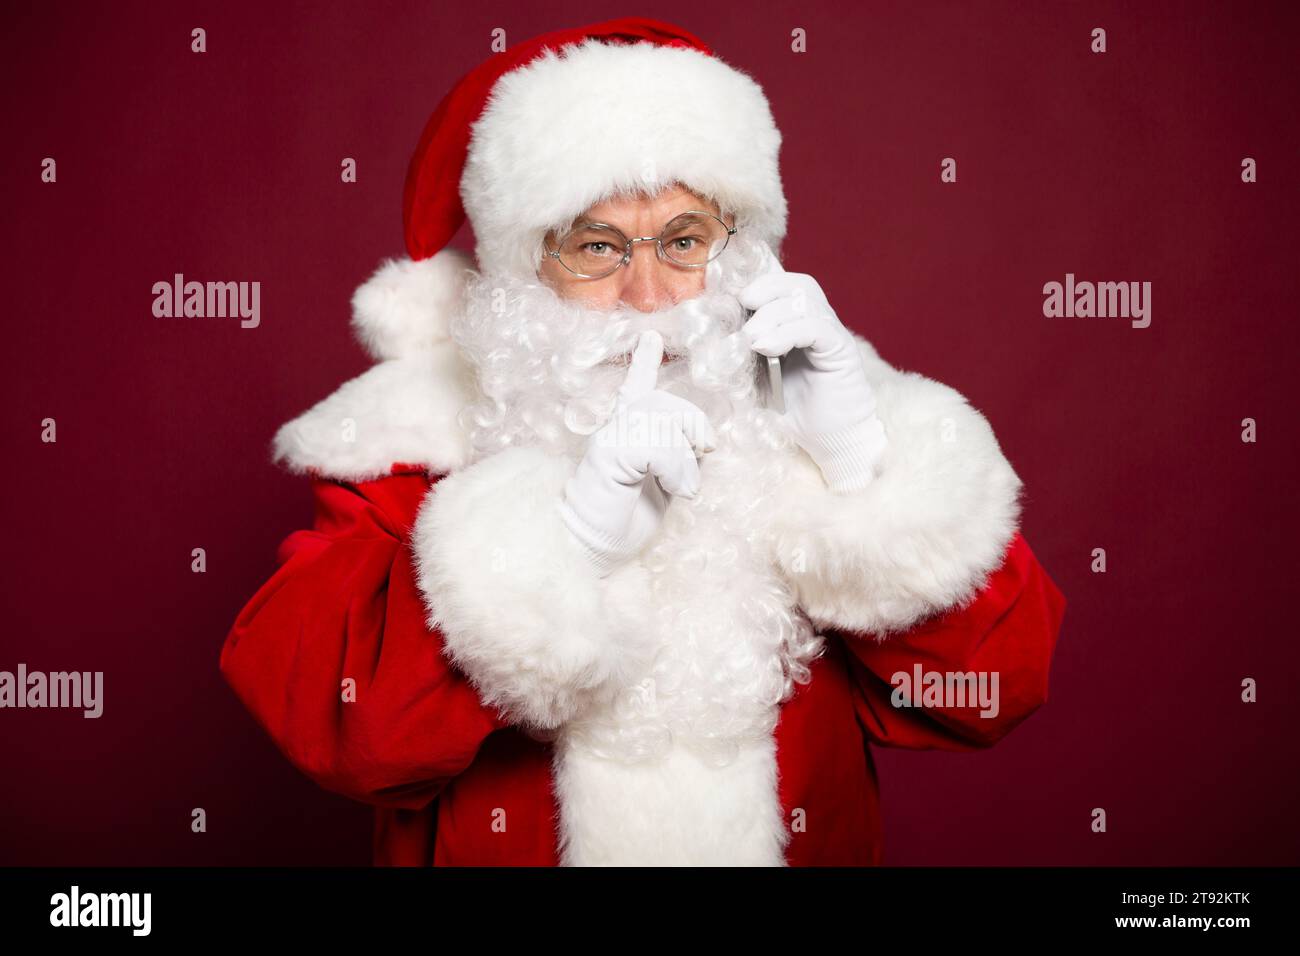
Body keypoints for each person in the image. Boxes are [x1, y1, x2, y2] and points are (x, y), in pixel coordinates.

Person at [220, 16, 1066, 866]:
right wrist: (563, 551)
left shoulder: (822, 403)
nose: (651, 293)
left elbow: (993, 693)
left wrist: (857, 465)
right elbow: (336, 730)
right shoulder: (406, 451)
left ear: (742, 249)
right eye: (597, 245)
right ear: (520, 270)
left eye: (686, 239)